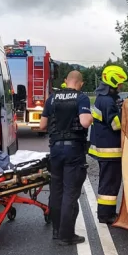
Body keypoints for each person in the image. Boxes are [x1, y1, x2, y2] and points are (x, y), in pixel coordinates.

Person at [38, 70, 92, 245]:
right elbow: (84, 122)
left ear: (66, 81)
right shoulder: (81, 98)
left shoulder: (52, 98)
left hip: (55, 150)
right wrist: (91, 118)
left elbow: (42, 125)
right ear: (80, 83)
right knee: (70, 192)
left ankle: (56, 230)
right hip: (73, 150)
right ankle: (66, 235)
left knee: (56, 190)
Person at [89, 65, 128, 223]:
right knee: (109, 184)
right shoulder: (106, 101)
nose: (121, 86)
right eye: (120, 83)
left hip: (107, 149)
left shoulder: (105, 98)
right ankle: (105, 215)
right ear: (113, 82)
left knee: (110, 182)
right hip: (109, 151)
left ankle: (107, 213)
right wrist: (126, 114)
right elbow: (116, 125)